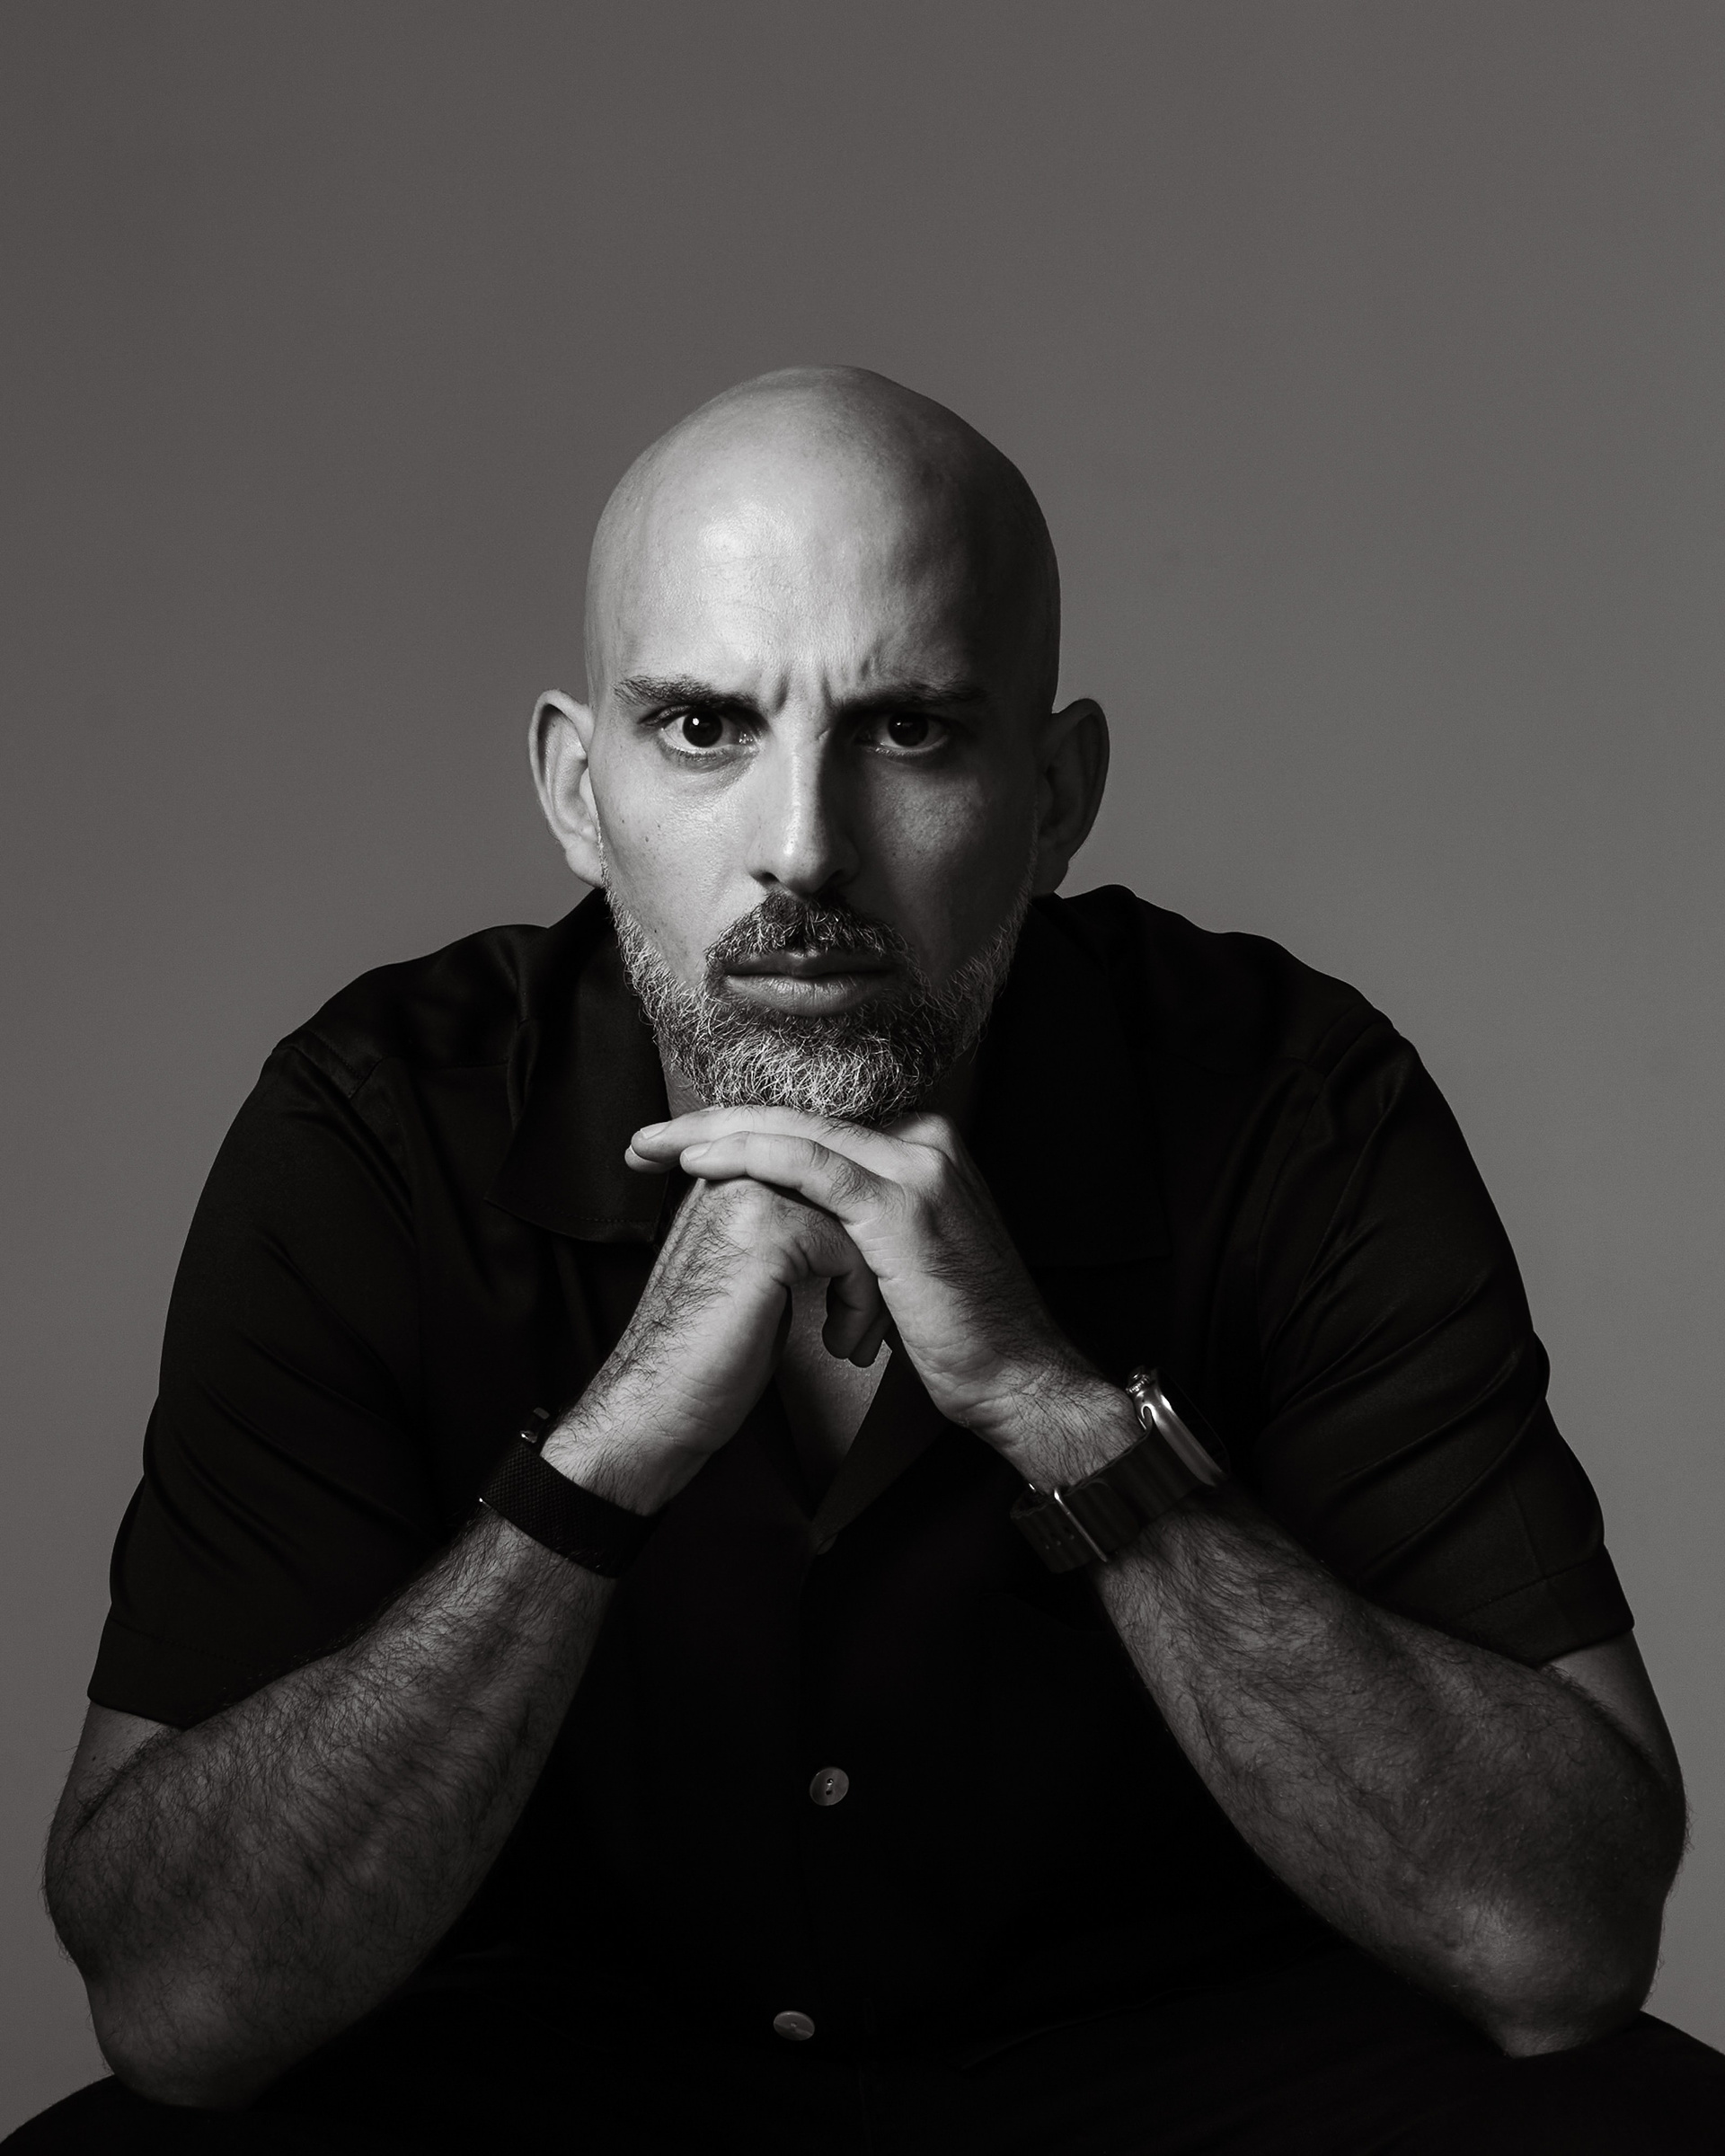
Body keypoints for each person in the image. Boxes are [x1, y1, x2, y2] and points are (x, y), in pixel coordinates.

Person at [15, 368, 1722, 2154]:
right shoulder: (378, 1130)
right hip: (550, 2095)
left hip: (1188, 2077)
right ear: (579, 791)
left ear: (1054, 797)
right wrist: (601, 1464)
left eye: (907, 731)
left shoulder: (1289, 1103)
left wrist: (1065, 1417)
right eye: (703, 728)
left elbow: (1558, 1949)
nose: (805, 848)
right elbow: (182, 2012)